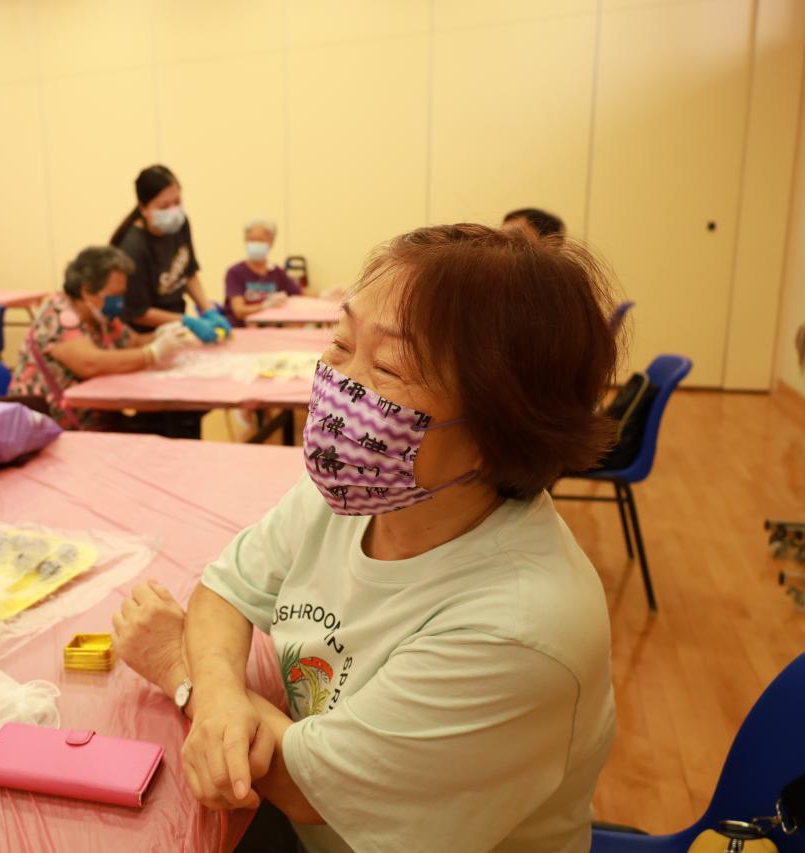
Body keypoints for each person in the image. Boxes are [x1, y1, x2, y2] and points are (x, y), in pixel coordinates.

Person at [113, 224, 619, 852]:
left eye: (387, 368)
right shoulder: (361, 493)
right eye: (341, 342)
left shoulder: (518, 630)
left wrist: (178, 667)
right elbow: (226, 590)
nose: (340, 384)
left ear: (497, 434)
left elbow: (311, 790)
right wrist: (216, 695)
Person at [9, 245, 197, 430]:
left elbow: (132, 342)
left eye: (122, 294)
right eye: (114, 295)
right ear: (86, 290)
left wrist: (164, 334)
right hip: (54, 428)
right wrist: (153, 353)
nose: (119, 302)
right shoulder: (57, 316)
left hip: (98, 418)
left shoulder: (101, 316)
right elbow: (91, 364)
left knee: (170, 422)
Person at [111, 165, 232, 343]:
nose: (173, 211)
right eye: (164, 206)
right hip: (146, 337)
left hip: (176, 326)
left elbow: (187, 272)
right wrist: (187, 321)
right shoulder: (132, 248)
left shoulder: (179, 224)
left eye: (177, 202)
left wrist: (207, 309)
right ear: (144, 208)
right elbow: (137, 312)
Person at [224, 219, 303, 327]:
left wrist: (323, 294)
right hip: (241, 330)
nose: (256, 244)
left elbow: (300, 292)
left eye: (260, 240)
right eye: (252, 240)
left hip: (271, 330)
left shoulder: (276, 272)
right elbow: (239, 311)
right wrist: (265, 306)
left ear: (271, 243)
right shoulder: (235, 272)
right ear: (245, 241)